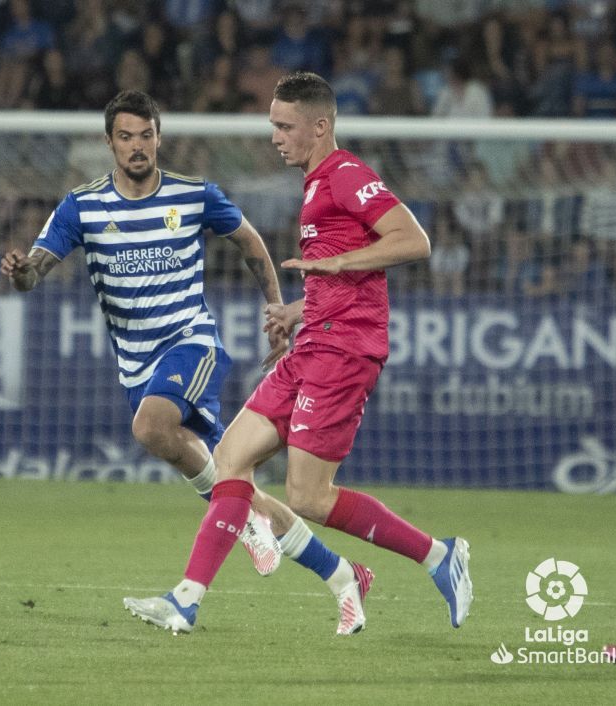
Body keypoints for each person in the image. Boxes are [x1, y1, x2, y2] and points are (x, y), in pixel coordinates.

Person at [123, 73, 473, 636]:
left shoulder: (346, 174)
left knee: (308, 496)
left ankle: (438, 554)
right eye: (273, 125)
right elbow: (344, 281)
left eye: (285, 126)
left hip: (344, 352)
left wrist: (337, 265)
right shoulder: (315, 184)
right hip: (314, 342)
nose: (275, 137)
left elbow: (414, 240)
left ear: (320, 126)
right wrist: (299, 309)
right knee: (231, 459)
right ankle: (185, 600)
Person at [1, 90, 349, 582]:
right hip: (137, 368)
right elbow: (35, 271)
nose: (137, 146)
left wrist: (276, 309)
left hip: (192, 344)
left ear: (159, 138)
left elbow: (249, 242)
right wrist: (21, 272)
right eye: (126, 137)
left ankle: (244, 524)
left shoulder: (193, 194)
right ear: (109, 142)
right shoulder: (82, 206)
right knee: (233, 482)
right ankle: (340, 574)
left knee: (149, 428)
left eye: (146, 135)